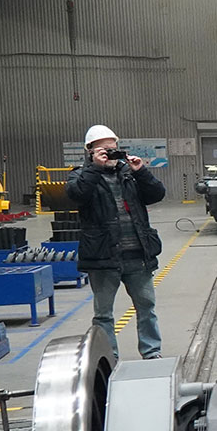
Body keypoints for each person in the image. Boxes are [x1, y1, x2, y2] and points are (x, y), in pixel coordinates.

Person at [67, 125, 167, 361]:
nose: (110, 154)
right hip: (103, 257)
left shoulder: (129, 174)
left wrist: (141, 172)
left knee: (146, 307)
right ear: (90, 151)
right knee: (103, 314)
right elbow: (77, 195)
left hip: (137, 255)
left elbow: (157, 194)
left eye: (113, 149)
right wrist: (95, 168)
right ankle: (108, 357)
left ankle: (151, 351)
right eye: (104, 150)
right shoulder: (80, 175)